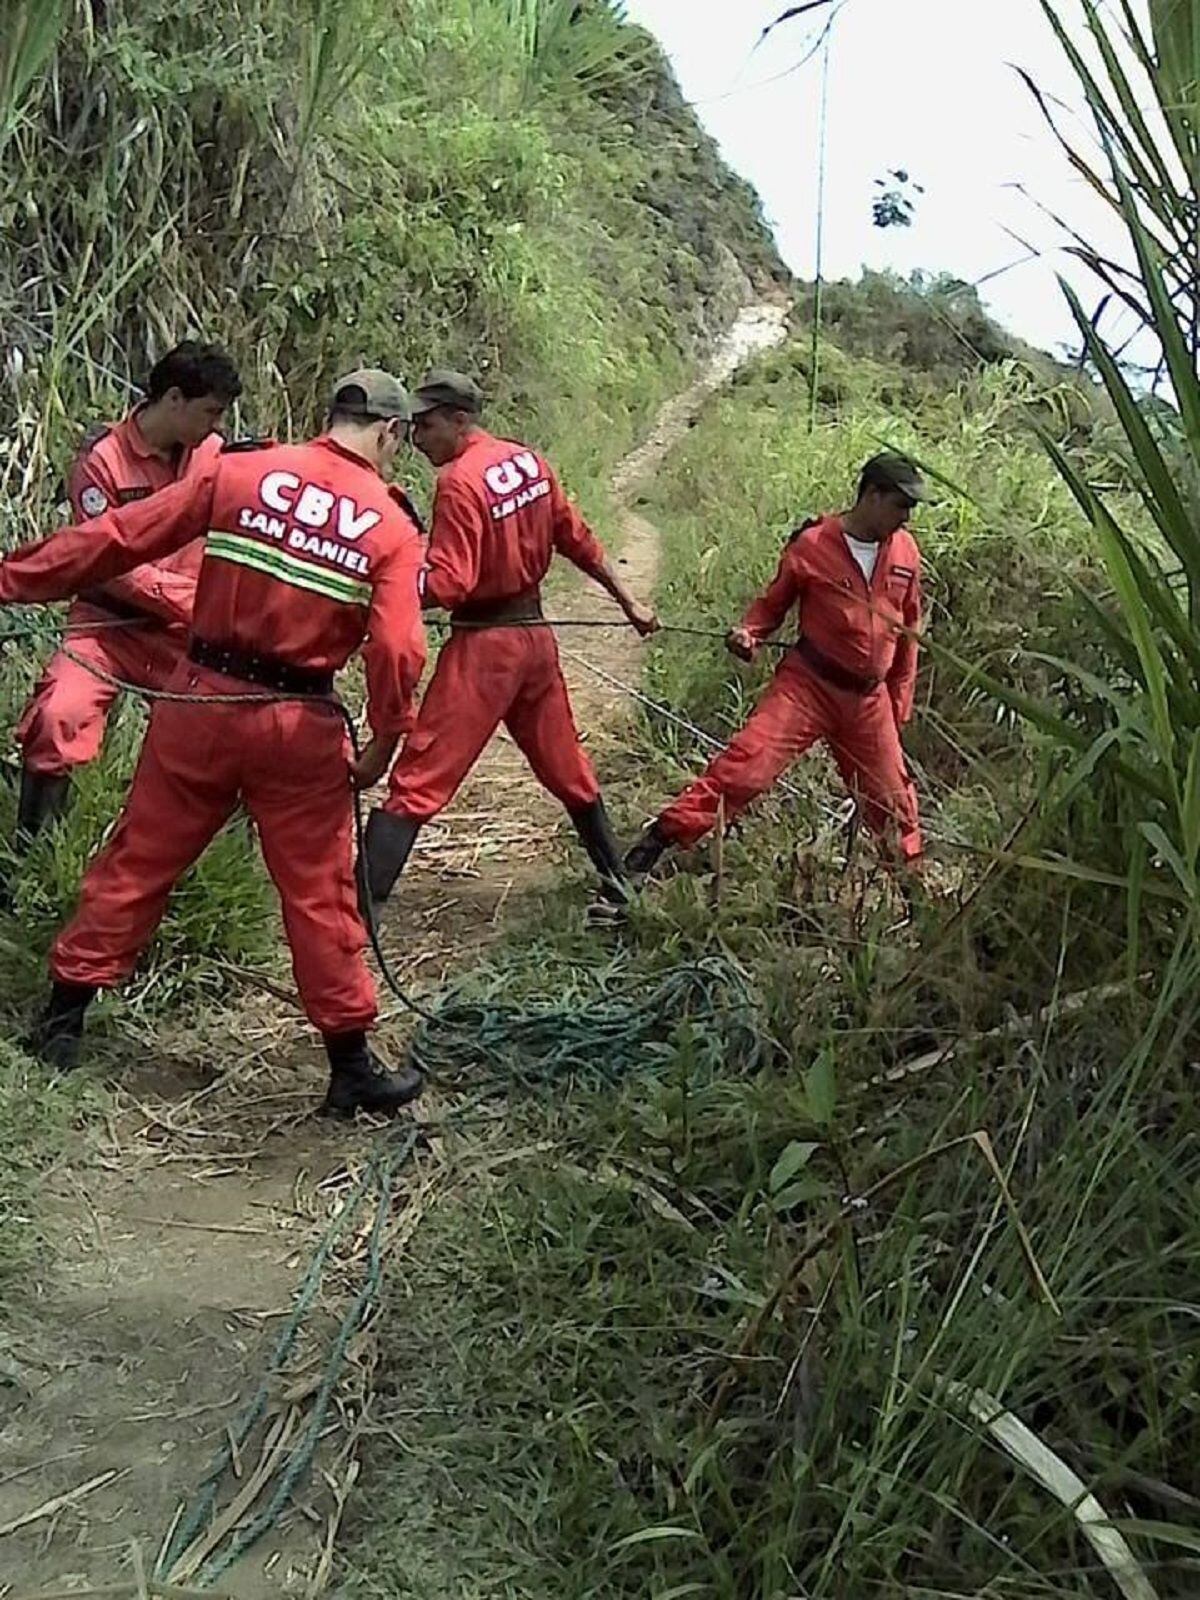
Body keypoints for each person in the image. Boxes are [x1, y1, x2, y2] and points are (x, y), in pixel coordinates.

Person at [0, 370, 429, 1117]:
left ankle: (62, 1021)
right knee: (318, 892)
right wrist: (383, 744)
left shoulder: (239, 473)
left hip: (198, 702)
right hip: (298, 725)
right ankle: (351, 1064)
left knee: (139, 857)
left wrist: (12, 579)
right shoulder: (390, 525)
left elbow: (114, 541)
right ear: (390, 434)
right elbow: (399, 653)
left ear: (331, 416)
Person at [360, 368, 659, 921]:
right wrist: (629, 604)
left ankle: (360, 909)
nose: (417, 437)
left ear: (460, 419)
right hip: (534, 638)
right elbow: (577, 537)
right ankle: (618, 882)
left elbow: (449, 584)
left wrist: (383, 592)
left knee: (419, 777)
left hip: (485, 647)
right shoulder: (529, 462)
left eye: (425, 425)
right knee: (567, 766)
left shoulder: (458, 482)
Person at [625, 452, 925, 880]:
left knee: (894, 805)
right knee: (746, 769)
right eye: (901, 505)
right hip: (809, 687)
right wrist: (750, 632)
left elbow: (909, 630)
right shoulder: (814, 545)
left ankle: (913, 896)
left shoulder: (906, 553)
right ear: (872, 496)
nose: (906, 518)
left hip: (868, 703)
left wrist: (899, 704)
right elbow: (772, 605)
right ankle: (654, 848)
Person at [12, 341, 242, 843]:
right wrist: (186, 599)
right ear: (175, 399)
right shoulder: (103, 462)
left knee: (236, 727)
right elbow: (105, 564)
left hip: (188, 632)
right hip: (108, 624)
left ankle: (212, 868)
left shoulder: (214, 456)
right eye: (211, 412)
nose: (216, 425)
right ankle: (30, 866)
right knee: (59, 716)